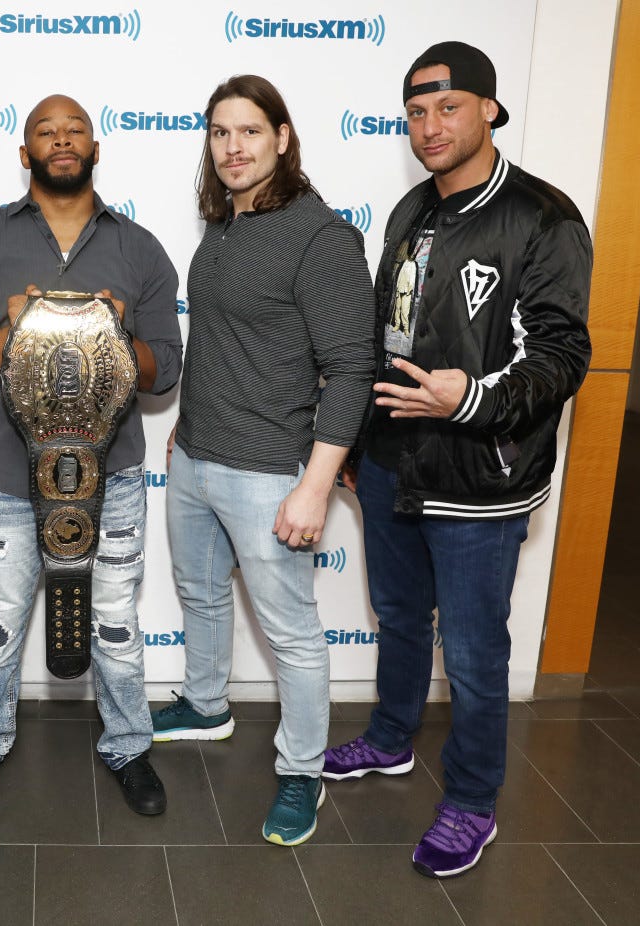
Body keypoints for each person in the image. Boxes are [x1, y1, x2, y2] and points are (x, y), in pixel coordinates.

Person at [321, 42, 592, 878]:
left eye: (447, 106)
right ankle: (394, 740)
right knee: (401, 618)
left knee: (473, 653)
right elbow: (384, 339)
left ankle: (472, 803)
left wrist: (466, 399)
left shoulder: (543, 217)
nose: (428, 125)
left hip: (482, 475)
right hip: (398, 463)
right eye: (414, 110)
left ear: (489, 111)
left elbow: (560, 355)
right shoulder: (410, 213)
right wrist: (363, 447)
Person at [0, 94, 183, 815]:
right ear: (25, 151)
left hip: (115, 480)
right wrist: (18, 332)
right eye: (46, 131)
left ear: (96, 150)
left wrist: (111, 337)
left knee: (117, 625)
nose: (61, 141)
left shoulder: (140, 249)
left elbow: (167, 365)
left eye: (75, 132)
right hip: (7, 476)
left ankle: (129, 745)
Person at [150, 75, 376, 847]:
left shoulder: (321, 236)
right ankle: (207, 705)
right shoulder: (222, 229)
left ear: (283, 137)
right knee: (201, 594)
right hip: (196, 457)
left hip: (271, 471)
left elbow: (351, 368)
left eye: (250, 130)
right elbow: (226, 344)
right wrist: (186, 426)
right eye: (220, 132)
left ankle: (303, 771)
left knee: (293, 636)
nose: (234, 147)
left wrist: (315, 486)